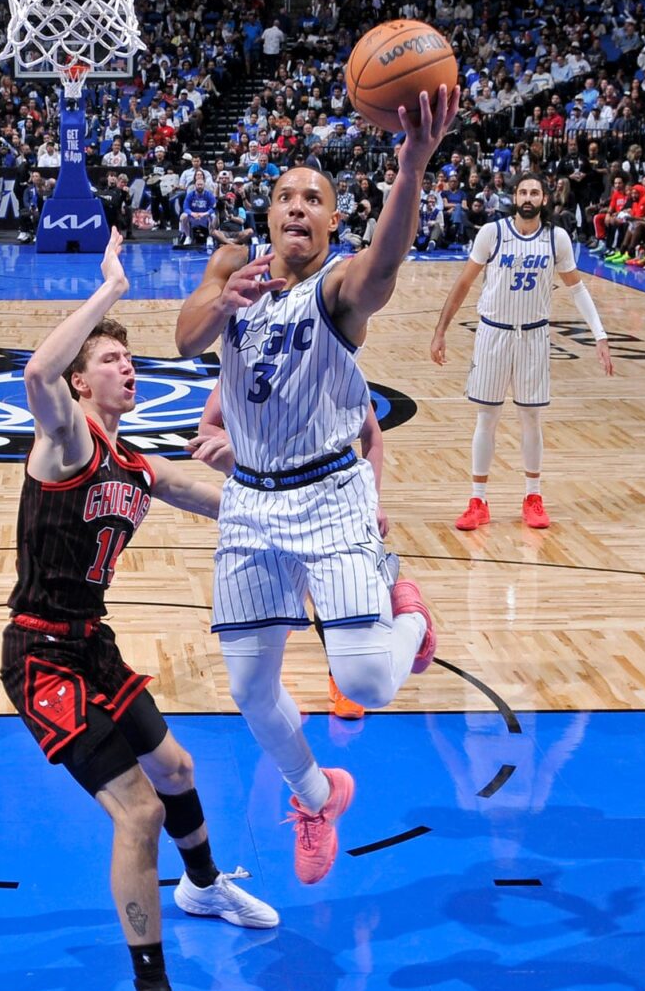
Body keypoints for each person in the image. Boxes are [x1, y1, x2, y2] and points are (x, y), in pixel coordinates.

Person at [174, 88, 459, 885]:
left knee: (367, 679)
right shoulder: (235, 271)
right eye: (285, 196)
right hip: (255, 504)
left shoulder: (337, 291)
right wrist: (220, 295)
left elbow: (387, 265)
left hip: (331, 495)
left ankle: (407, 613)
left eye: (315, 199)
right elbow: (185, 333)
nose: (298, 206)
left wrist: (411, 167)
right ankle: (317, 791)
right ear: (269, 216)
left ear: (332, 224)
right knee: (250, 689)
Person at [7, 233, 274, 991]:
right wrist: (111, 290)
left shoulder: (135, 468)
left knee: (180, 774)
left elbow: (220, 501)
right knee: (140, 810)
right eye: (111, 362)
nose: (128, 367)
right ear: (83, 384)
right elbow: (34, 371)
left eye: (130, 361)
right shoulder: (65, 440)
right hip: (40, 655)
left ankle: (203, 887)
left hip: (93, 646)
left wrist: (292, 492)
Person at [192, 386, 391, 719]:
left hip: (327, 501)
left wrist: (372, 500)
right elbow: (208, 426)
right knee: (267, 618)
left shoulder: (331, 364)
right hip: (261, 502)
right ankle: (274, 688)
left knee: (327, 596)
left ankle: (342, 678)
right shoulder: (244, 362)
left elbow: (373, 436)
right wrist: (239, 449)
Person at [430, 174, 615, 530]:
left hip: (533, 336)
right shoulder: (492, 233)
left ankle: (533, 495)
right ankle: (478, 500)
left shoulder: (555, 238)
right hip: (493, 333)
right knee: (487, 418)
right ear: (513, 196)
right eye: (522, 191)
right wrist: (440, 331)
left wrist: (600, 335)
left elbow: (577, 290)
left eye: (534, 192)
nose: (528, 197)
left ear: (544, 199)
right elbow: (464, 284)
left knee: (531, 418)